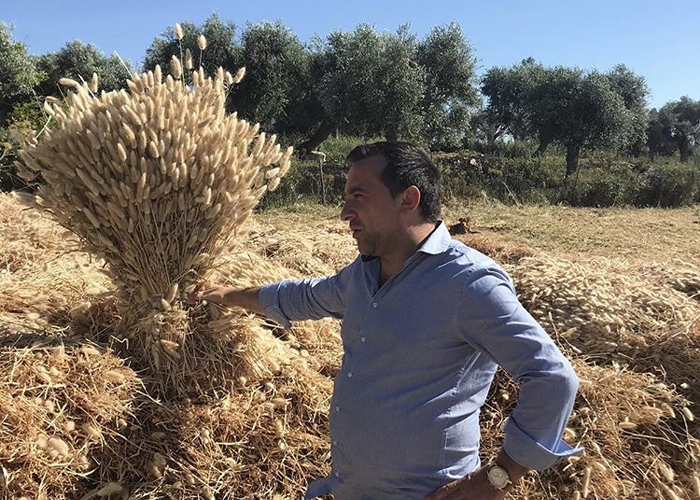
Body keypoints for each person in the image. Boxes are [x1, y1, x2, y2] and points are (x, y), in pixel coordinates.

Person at [190, 141, 582, 500]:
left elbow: (551, 377)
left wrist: (500, 476)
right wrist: (228, 295)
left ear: (407, 199)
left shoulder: (467, 284)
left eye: (358, 196)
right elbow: (302, 296)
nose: (345, 212)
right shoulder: (362, 275)